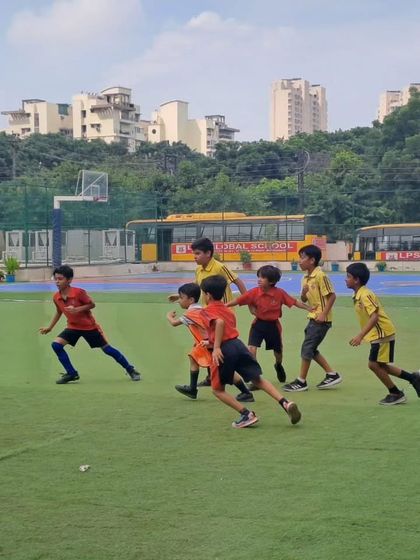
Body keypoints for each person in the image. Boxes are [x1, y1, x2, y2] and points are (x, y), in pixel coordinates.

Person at [200, 275, 302, 428]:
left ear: (207, 295)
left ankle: (246, 414)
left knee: (217, 390)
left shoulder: (206, 311)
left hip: (224, 350)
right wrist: (212, 341)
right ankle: (285, 403)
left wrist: (215, 347)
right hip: (238, 345)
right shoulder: (227, 310)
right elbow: (226, 328)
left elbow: (219, 324)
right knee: (257, 379)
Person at [39, 265, 141, 384]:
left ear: (69, 280)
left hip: (89, 327)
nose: (57, 282)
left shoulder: (79, 293)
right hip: (73, 327)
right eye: (55, 279)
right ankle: (72, 373)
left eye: (60, 279)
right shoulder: (56, 297)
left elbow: (92, 305)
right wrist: (50, 328)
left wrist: (77, 309)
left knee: (107, 349)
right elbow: (59, 311)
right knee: (56, 345)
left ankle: (131, 370)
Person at [169, 237, 247, 387]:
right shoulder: (199, 269)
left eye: (197, 253)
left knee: (217, 347)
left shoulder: (219, 267)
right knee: (206, 345)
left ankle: (238, 380)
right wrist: (180, 297)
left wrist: (247, 300)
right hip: (207, 314)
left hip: (222, 313)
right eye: (194, 253)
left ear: (208, 253)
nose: (195, 257)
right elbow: (196, 287)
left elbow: (237, 281)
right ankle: (212, 377)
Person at [346, 262, 420, 405]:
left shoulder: (365, 294)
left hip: (382, 334)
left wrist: (360, 336)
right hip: (378, 335)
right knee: (381, 365)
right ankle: (413, 378)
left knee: (373, 365)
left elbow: (374, 316)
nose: (345, 279)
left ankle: (395, 393)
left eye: (348, 276)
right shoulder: (359, 294)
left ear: (356, 280)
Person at [166, 282, 254, 402]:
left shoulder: (190, 314)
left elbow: (174, 323)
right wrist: (178, 297)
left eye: (181, 298)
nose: (179, 300)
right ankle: (192, 388)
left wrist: (169, 316)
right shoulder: (202, 308)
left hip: (210, 345)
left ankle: (246, 392)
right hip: (208, 343)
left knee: (227, 371)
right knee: (193, 357)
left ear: (191, 299)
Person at [227, 264, 312, 383]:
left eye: (262, 278)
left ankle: (278, 365)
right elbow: (238, 300)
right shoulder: (254, 292)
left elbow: (294, 302)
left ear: (271, 281)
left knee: (278, 352)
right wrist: (224, 305)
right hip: (258, 324)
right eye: (259, 277)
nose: (259, 280)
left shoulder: (280, 293)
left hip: (273, 326)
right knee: (251, 348)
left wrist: (308, 308)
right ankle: (255, 377)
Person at [282, 244, 342, 392]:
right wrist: (303, 293)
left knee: (307, 348)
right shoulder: (305, 278)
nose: (299, 261)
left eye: (302, 257)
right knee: (311, 348)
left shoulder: (320, 276)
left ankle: (301, 381)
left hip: (321, 320)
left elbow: (332, 296)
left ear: (312, 260)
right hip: (313, 317)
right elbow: (304, 299)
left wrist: (323, 314)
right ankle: (332, 374)